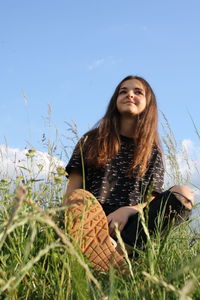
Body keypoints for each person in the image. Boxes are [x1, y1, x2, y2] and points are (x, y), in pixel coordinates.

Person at [63, 75, 194, 271]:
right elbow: (72, 192)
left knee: (184, 194)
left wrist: (127, 211)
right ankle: (99, 253)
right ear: (115, 101)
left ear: (148, 103)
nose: (129, 95)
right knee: (77, 200)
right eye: (123, 91)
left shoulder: (152, 151)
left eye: (137, 92)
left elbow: (150, 201)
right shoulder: (90, 140)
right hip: (89, 223)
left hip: (130, 227)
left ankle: (116, 254)